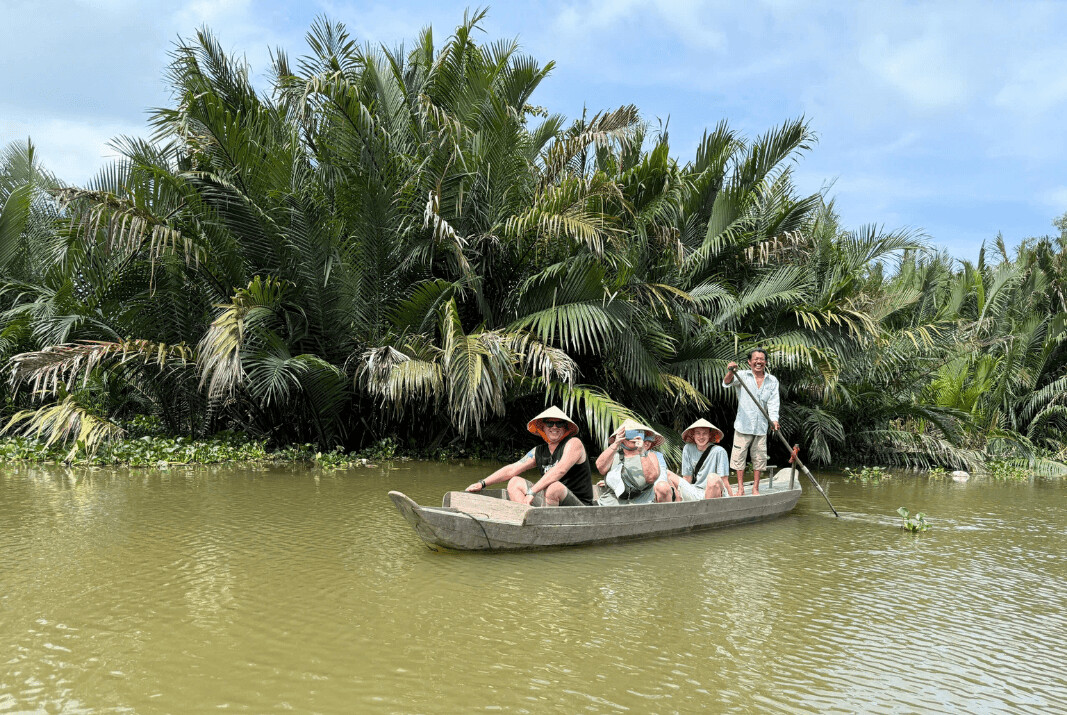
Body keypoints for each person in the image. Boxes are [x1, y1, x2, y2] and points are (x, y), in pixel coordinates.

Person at [464, 406, 594, 506]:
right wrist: (483, 483)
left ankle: (547, 526)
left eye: (559, 423)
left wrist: (532, 492)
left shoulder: (574, 443)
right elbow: (512, 469)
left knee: (554, 487)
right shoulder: (538, 451)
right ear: (542, 427)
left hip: (579, 505)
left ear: (565, 428)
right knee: (514, 482)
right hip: (550, 501)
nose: (554, 427)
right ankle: (527, 519)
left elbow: (560, 470)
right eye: (549, 423)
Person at [723, 349, 780, 496]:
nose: (758, 362)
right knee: (739, 457)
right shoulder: (741, 375)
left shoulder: (772, 380)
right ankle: (740, 488)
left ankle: (756, 488)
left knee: (759, 458)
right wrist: (731, 371)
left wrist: (774, 420)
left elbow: (774, 402)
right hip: (743, 425)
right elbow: (726, 382)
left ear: (765, 362)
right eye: (755, 359)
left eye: (761, 359)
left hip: (760, 426)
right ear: (749, 362)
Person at [594, 419, 678, 505]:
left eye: (637, 433)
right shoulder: (613, 455)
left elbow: (651, 478)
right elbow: (600, 468)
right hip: (609, 504)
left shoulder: (649, 455)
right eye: (628, 434)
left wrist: (641, 451)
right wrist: (616, 443)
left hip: (640, 505)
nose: (633, 438)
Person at [674, 418, 730, 500]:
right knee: (667, 474)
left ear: (709, 435)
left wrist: (732, 499)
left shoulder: (719, 451)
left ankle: (706, 508)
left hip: (715, 491)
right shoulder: (687, 448)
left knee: (712, 477)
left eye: (704, 433)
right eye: (698, 433)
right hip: (697, 491)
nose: (701, 437)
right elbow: (687, 478)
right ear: (693, 435)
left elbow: (724, 480)